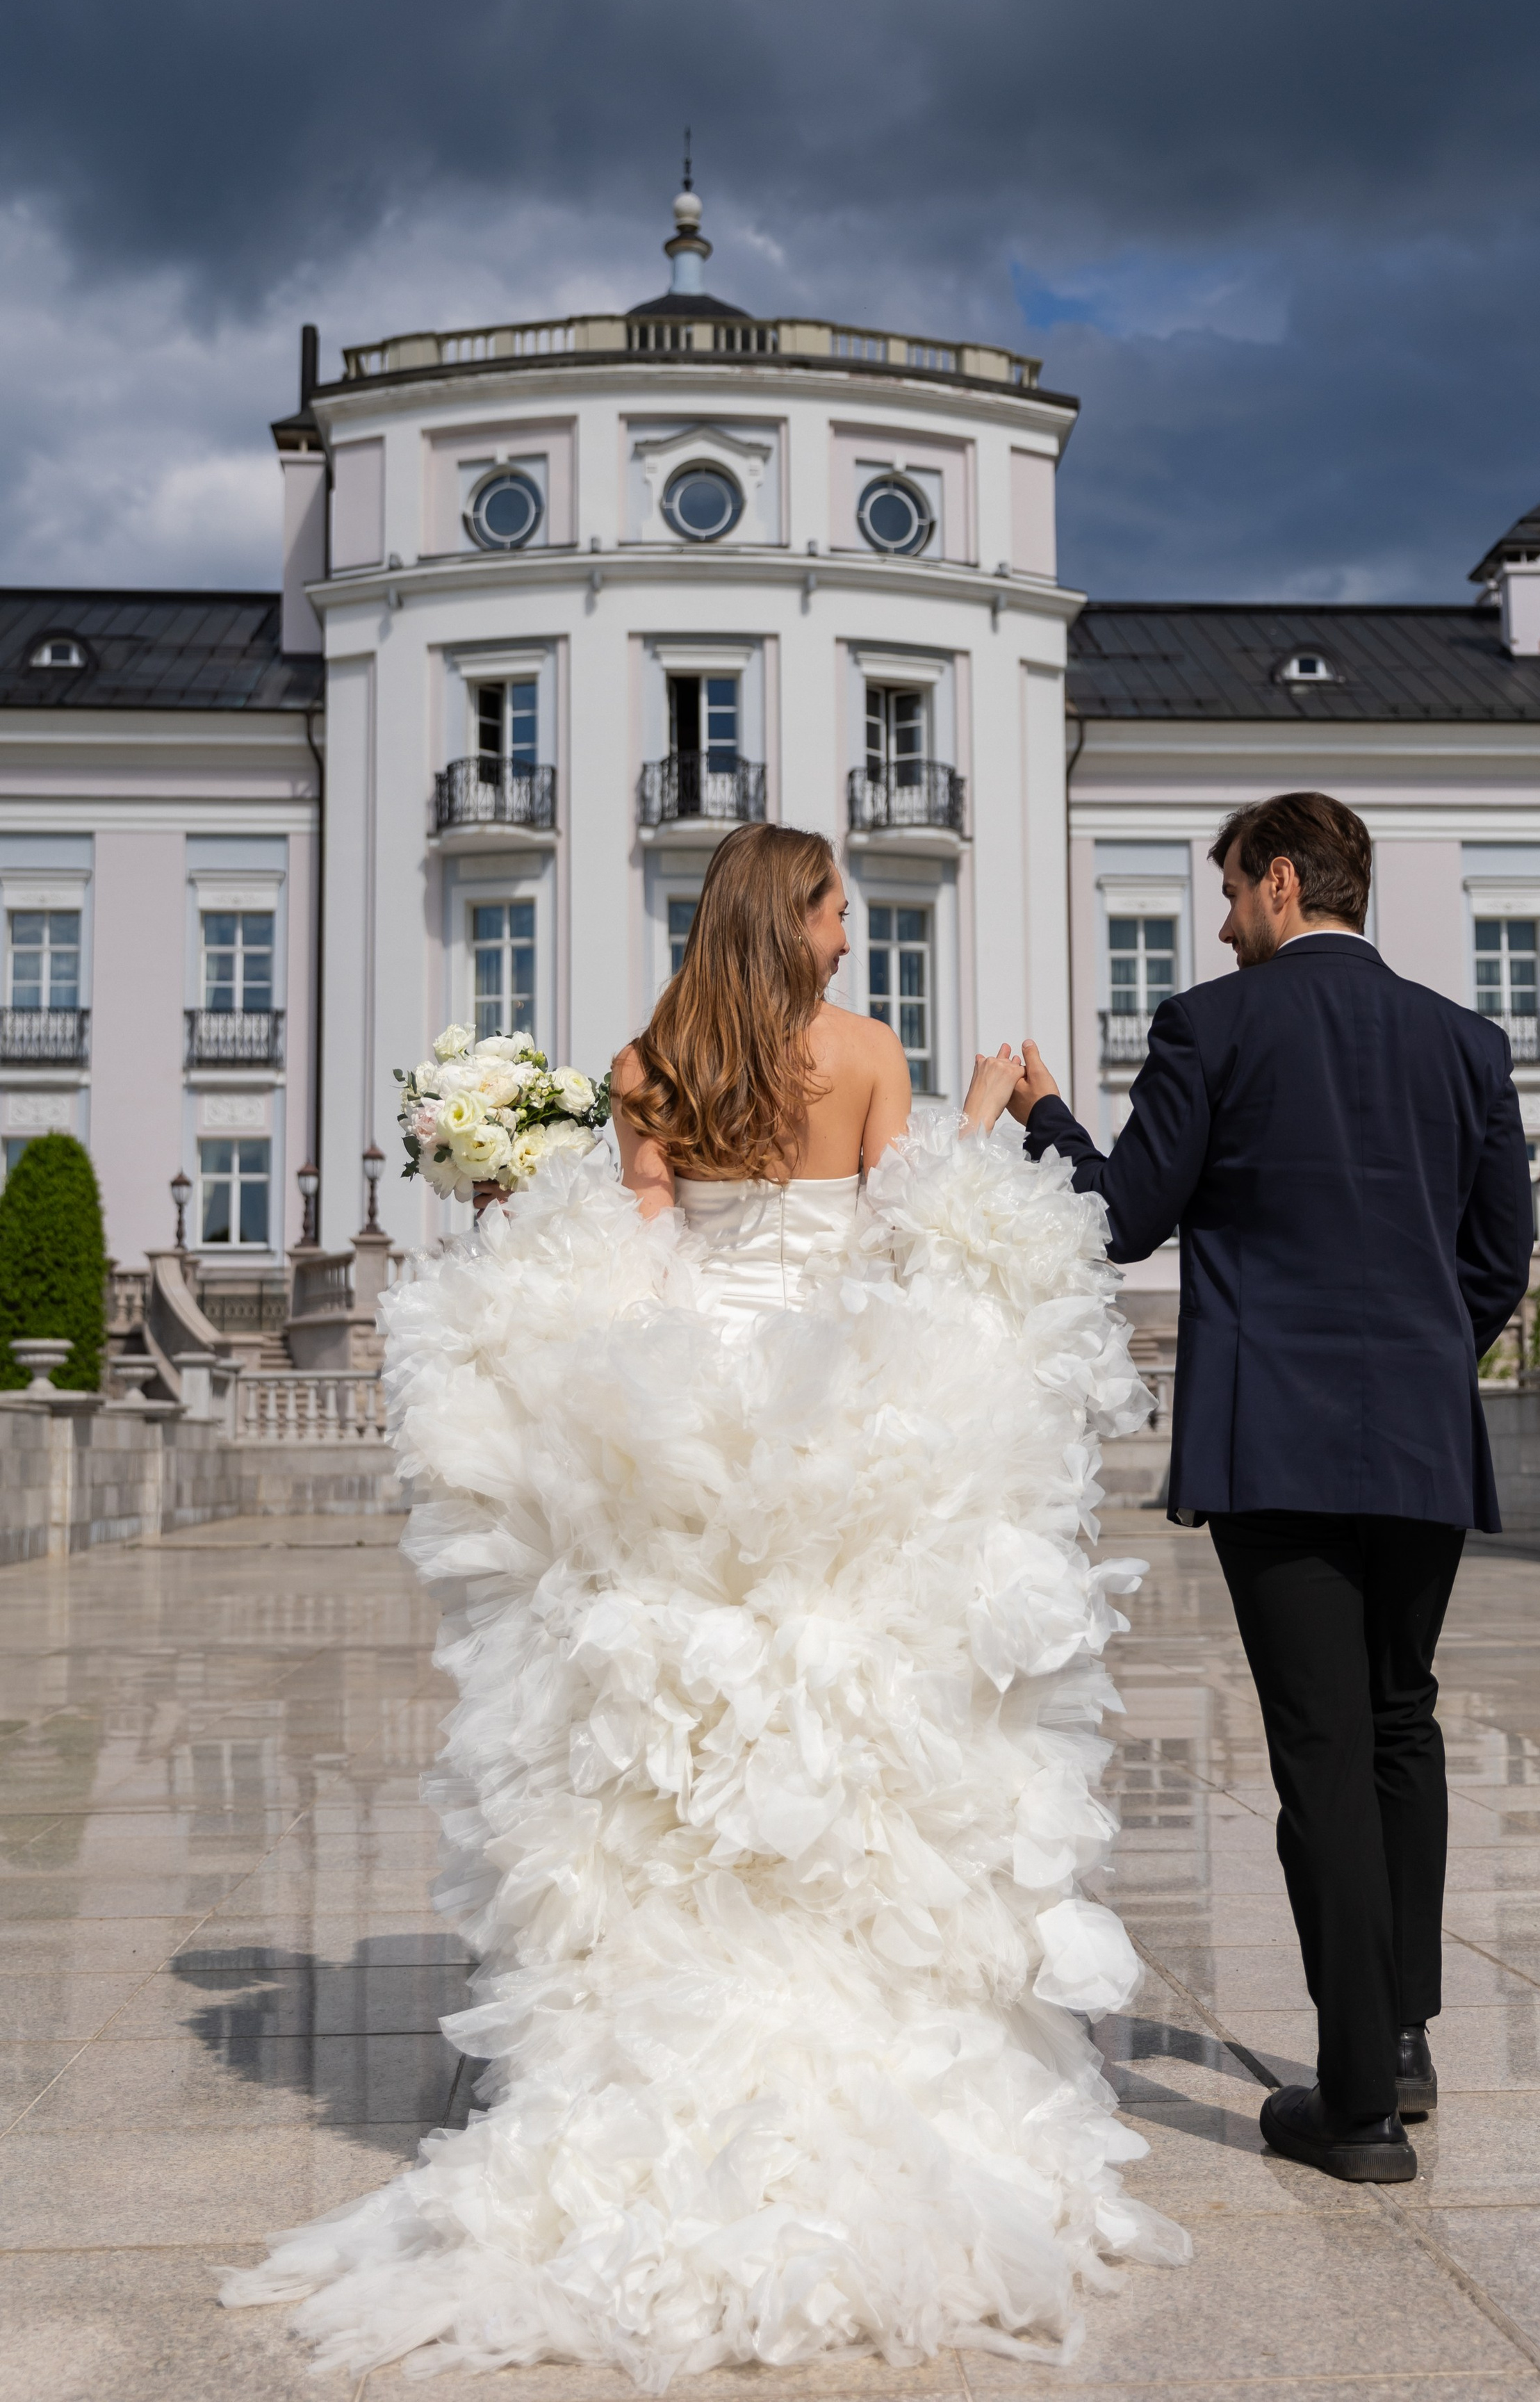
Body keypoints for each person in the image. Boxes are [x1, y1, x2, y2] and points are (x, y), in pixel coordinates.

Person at [222, 822, 1186, 2380]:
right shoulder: (866, 1057)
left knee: (666, 1749)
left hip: (678, 1433)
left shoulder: (643, 1067)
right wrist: (987, 1110)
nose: (852, 939)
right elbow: (906, 1248)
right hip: (840, 1429)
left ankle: (661, 2030)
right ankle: (859, 2019)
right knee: (853, 1735)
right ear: (790, 918)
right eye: (837, 913)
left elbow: (641, 1272)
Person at [1004, 792, 1532, 2186]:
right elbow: (1497, 1259)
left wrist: (1042, 1110)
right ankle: (1403, 2036)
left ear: (1282, 884)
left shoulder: (1211, 1026)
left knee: (1319, 1751)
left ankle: (1353, 2105)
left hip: (1275, 1443)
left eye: (1228, 888)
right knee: (1398, 1724)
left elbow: (1116, 1219)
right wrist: (1421, 1364)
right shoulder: (1466, 1044)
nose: (1218, 916)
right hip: (1418, 1438)